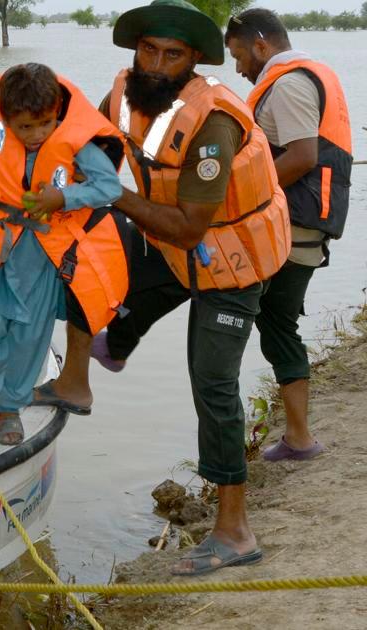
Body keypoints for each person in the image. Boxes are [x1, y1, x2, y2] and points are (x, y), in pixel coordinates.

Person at [95, 0, 292, 576]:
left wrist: (107, 190)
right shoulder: (129, 92)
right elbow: (88, 132)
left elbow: (189, 225)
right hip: (181, 256)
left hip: (232, 266)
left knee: (212, 381)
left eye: (172, 55)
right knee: (86, 275)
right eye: (148, 51)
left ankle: (235, 532)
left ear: (194, 62)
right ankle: (89, 366)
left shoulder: (213, 124)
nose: (156, 64)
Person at [0, 63, 126, 448]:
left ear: (57, 113)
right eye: (26, 127)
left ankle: (10, 409)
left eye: (46, 123)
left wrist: (64, 197)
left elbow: (108, 186)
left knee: (29, 339)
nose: (37, 135)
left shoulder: (76, 143)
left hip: (40, 259)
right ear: (7, 119)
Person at [226, 8, 353, 462]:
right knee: (275, 322)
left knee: (272, 323)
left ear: (262, 45)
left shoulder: (290, 84)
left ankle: (299, 438)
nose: (239, 69)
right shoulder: (300, 77)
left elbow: (300, 156)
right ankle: (295, 435)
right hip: (303, 222)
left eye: (240, 56)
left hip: (297, 224)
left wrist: (234, 198)